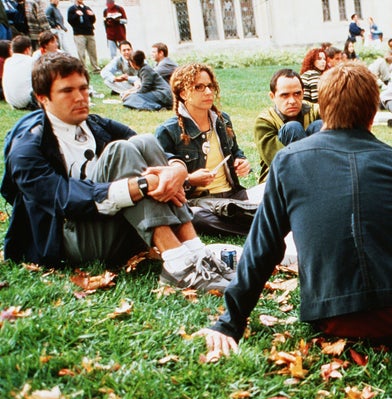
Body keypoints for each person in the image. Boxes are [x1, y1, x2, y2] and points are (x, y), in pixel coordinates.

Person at [196, 61, 392, 356]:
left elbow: (262, 247)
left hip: (331, 318)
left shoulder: (287, 162)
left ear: (321, 109)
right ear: (371, 114)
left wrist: (231, 321)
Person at [1, 52, 233, 291]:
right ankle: (178, 264)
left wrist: (177, 169)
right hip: (69, 239)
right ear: (42, 98)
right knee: (119, 151)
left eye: (83, 88)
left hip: (116, 228)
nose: (80, 97)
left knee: (143, 141)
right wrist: (141, 185)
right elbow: (62, 198)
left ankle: (195, 250)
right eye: (67, 91)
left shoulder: (94, 124)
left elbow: (152, 148)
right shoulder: (28, 146)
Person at [156, 63, 254, 237]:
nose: (208, 92)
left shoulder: (223, 121)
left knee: (273, 192)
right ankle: (259, 224)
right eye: (199, 87)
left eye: (210, 86)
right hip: (199, 202)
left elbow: (236, 151)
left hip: (234, 195)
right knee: (195, 218)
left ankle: (252, 215)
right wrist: (189, 180)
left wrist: (242, 161)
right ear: (183, 93)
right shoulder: (168, 131)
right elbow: (161, 178)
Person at [254, 69, 322, 183]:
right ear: (272, 96)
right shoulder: (265, 121)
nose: (292, 101)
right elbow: (277, 160)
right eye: (284, 95)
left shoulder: (316, 111)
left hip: (318, 172)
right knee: (292, 128)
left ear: (303, 92)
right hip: (278, 178)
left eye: (297, 94)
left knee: (319, 125)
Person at [2, 35, 38, 110]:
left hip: (12, 102)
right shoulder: (31, 61)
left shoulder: (8, 61)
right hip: (27, 101)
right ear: (27, 50)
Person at [67, 0, 100, 73]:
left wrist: (92, 15)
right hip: (79, 34)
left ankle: (95, 68)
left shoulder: (87, 8)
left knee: (93, 52)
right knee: (81, 53)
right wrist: (76, 15)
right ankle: (84, 69)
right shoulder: (72, 9)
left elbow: (92, 21)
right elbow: (70, 21)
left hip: (89, 33)